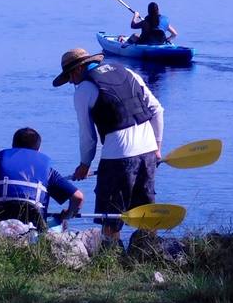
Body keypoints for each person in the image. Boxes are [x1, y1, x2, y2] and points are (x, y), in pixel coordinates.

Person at [52, 47, 163, 243]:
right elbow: (157, 110)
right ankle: (149, 254)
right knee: (147, 215)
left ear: (77, 70)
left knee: (111, 218)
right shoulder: (127, 72)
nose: (70, 82)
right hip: (147, 153)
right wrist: (157, 147)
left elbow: (88, 135)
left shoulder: (84, 90)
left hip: (117, 158)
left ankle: (110, 260)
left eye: (69, 77)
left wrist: (85, 164)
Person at [0, 126, 85, 227]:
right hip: (34, 224)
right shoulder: (48, 172)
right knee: (61, 223)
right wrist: (68, 214)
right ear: (38, 149)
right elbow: (78, 197)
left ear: (13, 146)